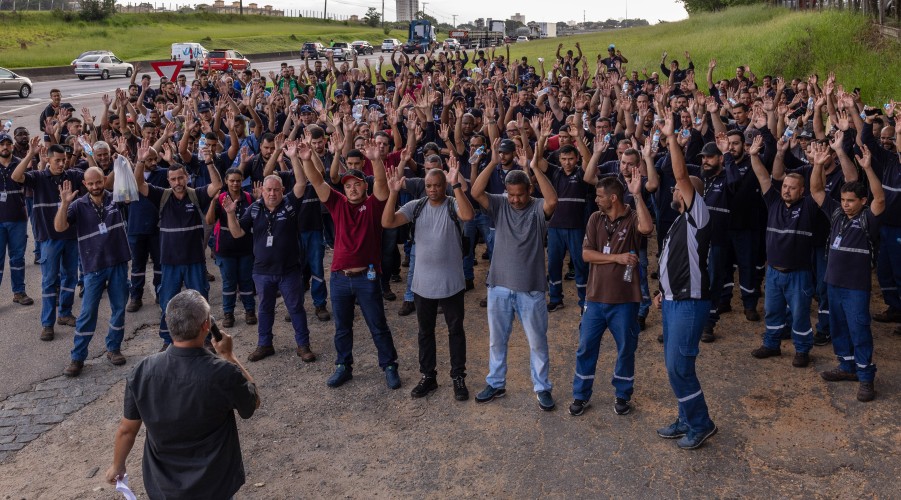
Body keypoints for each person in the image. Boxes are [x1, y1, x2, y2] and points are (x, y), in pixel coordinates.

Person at [105, 289, 259, 499]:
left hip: (163, 486)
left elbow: (127, 430)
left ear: (168, 323)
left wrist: (117, 465)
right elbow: (252, 402)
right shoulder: (223, 373)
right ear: (206, 326)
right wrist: (229, 356)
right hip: (213, 484)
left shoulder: (143, 370)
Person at [299, 138, 401, 390]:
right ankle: (343, 366)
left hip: (367, 277)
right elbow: (317, 182)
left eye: (357, 184)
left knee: (378, 325)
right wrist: (306, 160)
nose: (352, 189)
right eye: (347, 186)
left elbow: (381, 185)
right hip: (340, 278)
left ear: (364, 186)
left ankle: (389, 366)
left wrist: (376, 160)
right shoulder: (337, 204)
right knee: (342, 327)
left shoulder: (374, 205)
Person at [470, 139, 558, 411]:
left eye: (520, 194)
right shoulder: (500, 204)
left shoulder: (538, 207)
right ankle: (496, 383)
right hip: (498, 285)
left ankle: (542, 387)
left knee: (537, 343)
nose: (516, 199)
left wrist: (534, 167)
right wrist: (493, 162)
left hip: (531, 289)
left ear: (529, 190)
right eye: (511, 194)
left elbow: (553, 200)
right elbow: (476, 191)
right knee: (497, 341)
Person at [382, 158, 475, 401]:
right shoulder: (416, 206)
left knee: (455, 331)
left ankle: (458, 376)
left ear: (445, 185)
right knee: (425, 332)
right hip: (423, 285)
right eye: (429, 186)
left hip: (452, 283)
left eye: (437, 185)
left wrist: (456, 185)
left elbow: (468, 215)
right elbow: (388, 222)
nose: (433, 190)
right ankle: (428, 376)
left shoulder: (453, 203)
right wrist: (393, 193)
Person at [654, 115, 717, 450]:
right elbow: (672, 263)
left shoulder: (698, 215)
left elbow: (680, 174)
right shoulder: (679, 222)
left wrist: (670, 139)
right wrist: (661, 292)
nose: (674, 190)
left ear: (691, 194)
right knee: (674, 367)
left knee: (679, 367)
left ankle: (701, 424)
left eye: (678, 189)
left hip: (689, 303)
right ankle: (686, 418)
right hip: (673, 300)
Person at [223, 141, 316, 363]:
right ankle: (265, 344)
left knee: (296, 308)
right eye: (268, 190)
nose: (272, 193)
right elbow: (237, 233)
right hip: (262, 271)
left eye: (276, 189)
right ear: (261, 191)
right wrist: (230, 214)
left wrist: (294, 157)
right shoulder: (254, 208)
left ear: (282, 190)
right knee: (265, 309)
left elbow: (301, 183)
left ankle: (303, 345)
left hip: (289, 270)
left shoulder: (290, 204)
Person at [569, 171, 654, 417]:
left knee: (626, 348)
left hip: (625, 300)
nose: (596, 200)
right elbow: (586, 254)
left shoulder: (633, 217)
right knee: (585, 347)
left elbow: (647, 228)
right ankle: (580, 395)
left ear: (613, 198)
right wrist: (617, 258)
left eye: (599, 196)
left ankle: (622, 394)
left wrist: (637, 195)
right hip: (595, 298)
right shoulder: (595, 218)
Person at [811, 145, 883, 402]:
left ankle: (865, 377)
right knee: (839, 327)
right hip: (833, 284)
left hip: (856, 288)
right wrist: (817, 164)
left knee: (859, 329)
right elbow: (816, 190)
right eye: (843, 200)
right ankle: (846, 366)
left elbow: (880, 199)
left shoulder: (867, 219)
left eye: (851, 201)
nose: (846, 205)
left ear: (862, 201)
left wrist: (868, 169)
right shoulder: (837, 215)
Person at [134, 139, 222, 351]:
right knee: (167, 302)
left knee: (201, 301)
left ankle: (206, 339)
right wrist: (140, 162)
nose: (177, 182)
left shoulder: (196, 195)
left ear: (187, 177)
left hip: (194, 261)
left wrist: (209, 162)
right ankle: (168, 340)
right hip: (170, 262)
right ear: (168, 180)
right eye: (173, 179)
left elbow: (217, 185)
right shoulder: (162, 196)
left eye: (180, 177)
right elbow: (139, 185)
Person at [747, 135, 817, 367]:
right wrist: (753, 155)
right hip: (774, 273)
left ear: (802, 191)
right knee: (772, 311)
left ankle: (802, 350)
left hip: (799, 274)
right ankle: (771, 344)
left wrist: (816, 164)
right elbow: (763, 177)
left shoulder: (809, 206)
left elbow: (818, 187)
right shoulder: (774, 202)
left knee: (799, 314)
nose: (786, 190)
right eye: (785, 186)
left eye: (792, 188)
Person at [54, 167, 131, 377]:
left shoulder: (116, 198)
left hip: (118, 262)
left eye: (98, 182)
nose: (95, 187)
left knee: (119, 308)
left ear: (104, 180)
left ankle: (114, 348)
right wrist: (64, 204)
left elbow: (133, 188)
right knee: (87, 313)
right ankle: (77, 357)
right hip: (93, 267)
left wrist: (126, 163)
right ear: (85, 185)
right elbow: (60, 227)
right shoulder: (78, 205)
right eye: (90, 184)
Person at [12, 140, 84, 341]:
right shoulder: (38, 177)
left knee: (70, 277)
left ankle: (65, 313)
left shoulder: (72, 176)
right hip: (49, 238)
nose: (61, 164)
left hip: (70, 236)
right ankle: (47, 324)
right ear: (48, 160)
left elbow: (96, 177)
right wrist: (30, 154)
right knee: (49, 281)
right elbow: (16, 176)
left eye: (64, 160)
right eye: (57, 160)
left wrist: (87, 151)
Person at [207, 168, 257, 328]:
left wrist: (259, 200)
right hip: (225, 248)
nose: (235, 183)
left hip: (246, 248)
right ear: (226, 181)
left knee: (246, 281)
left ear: (242, 181)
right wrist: (213, 202)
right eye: (232, 180)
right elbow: (209, 221)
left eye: (238, 180)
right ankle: (228, 313)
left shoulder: (249, 198)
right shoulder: (220, 198)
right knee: (229, 283)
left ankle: (250, 311)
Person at [0, 132, 34, 306]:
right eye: (2, 144)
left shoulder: (20, 164)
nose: (5, 147)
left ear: (12, 146)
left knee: (18, 258)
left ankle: (19, 292)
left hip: (18, 219)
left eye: (8, 144)